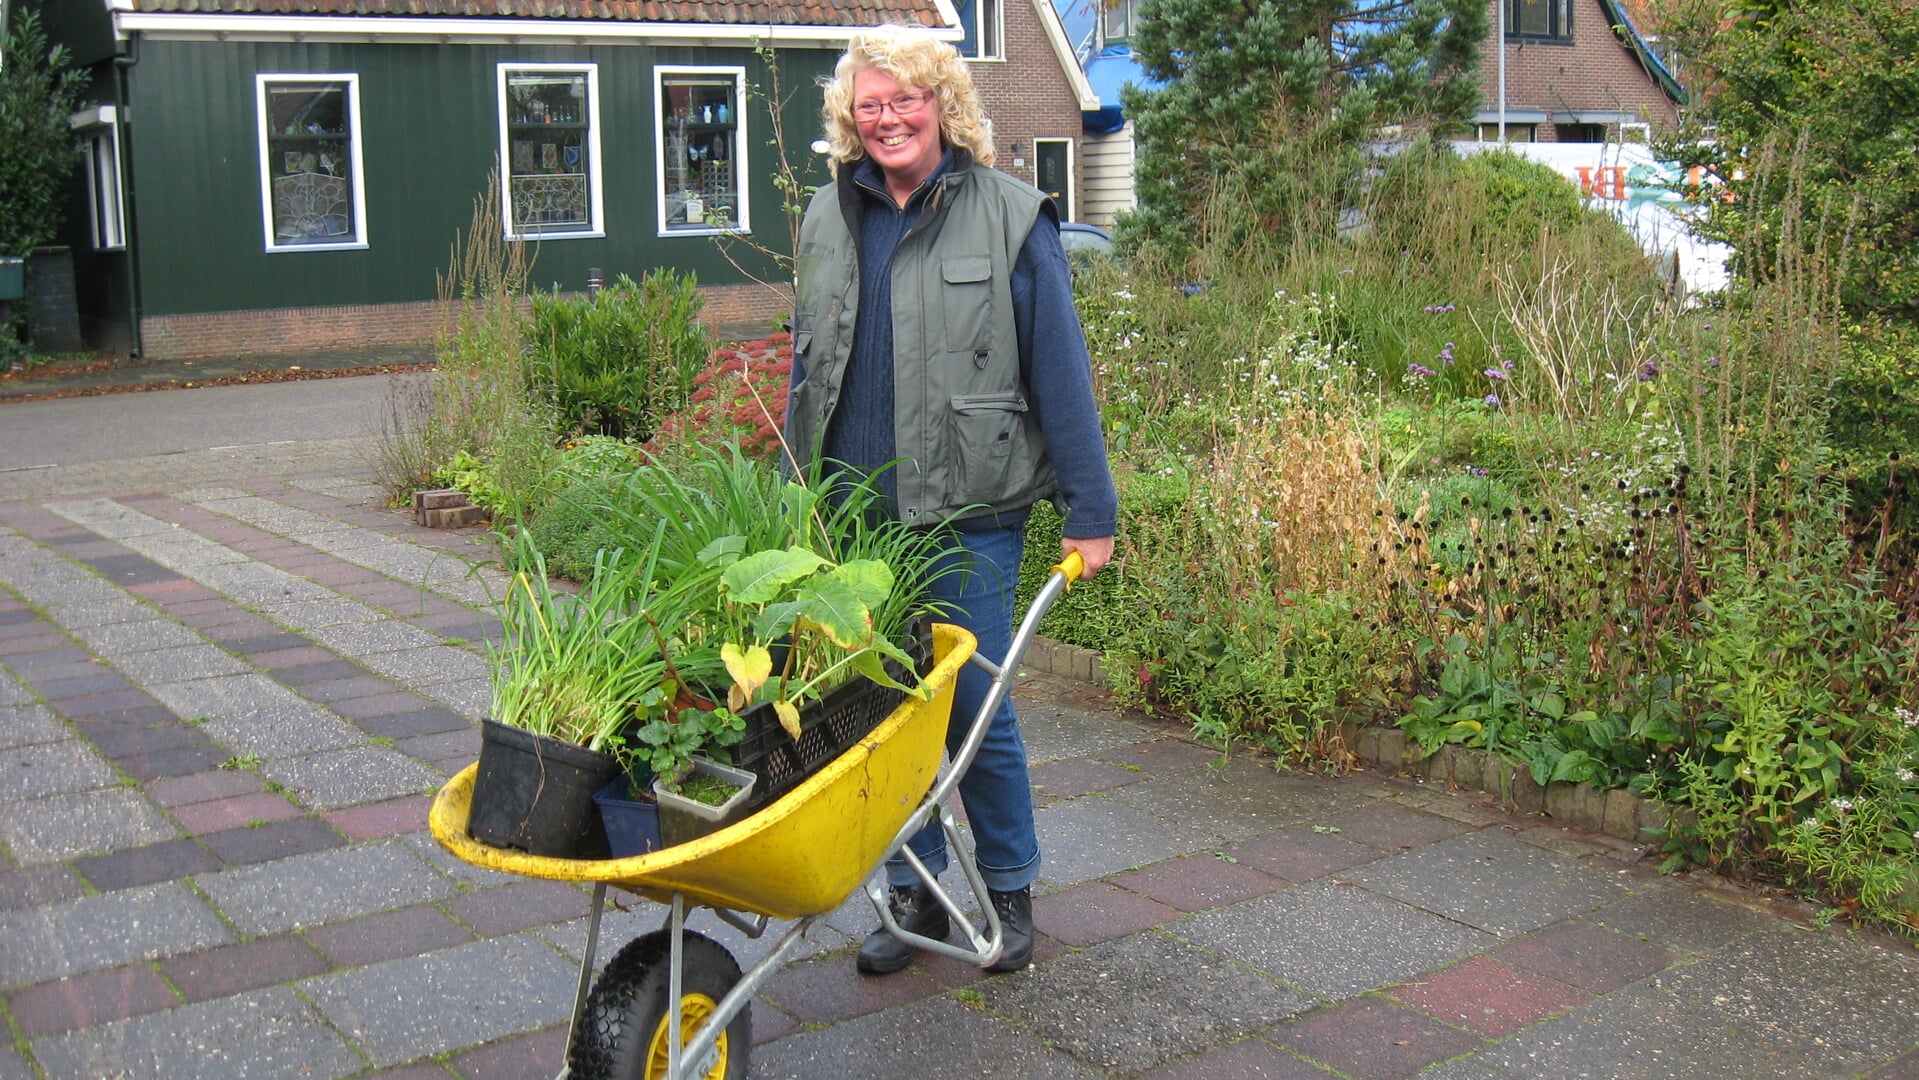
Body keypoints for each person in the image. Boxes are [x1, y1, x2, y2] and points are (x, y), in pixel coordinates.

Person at [784, 24, 1118, 976]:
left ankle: (1009, 889)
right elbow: (809, 370)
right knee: (877, 717)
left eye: (906, 99)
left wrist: (1089, 511)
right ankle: (916, 893)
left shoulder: (1012, 215)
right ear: (852, 118)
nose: (887, 118)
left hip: (969, 512)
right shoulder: (825, 218)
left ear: (943, 106)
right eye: (870, 104)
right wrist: (790, 494)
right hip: (852, 515)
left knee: (972, 709)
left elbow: (1060, 370)